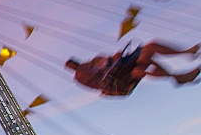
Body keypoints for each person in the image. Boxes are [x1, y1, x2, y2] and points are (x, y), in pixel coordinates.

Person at [66, 41, 200, 96]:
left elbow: (104, 61)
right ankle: (177, 76)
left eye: (74, 62)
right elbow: (100, 75)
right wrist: (105, 63)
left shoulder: (89, 63)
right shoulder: (80, 75)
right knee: (140, 67)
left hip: (119, 68)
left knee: (149, 51)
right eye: (72, 64)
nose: (75, 64)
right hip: (115, 80)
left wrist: (112, 58)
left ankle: (186, 56)